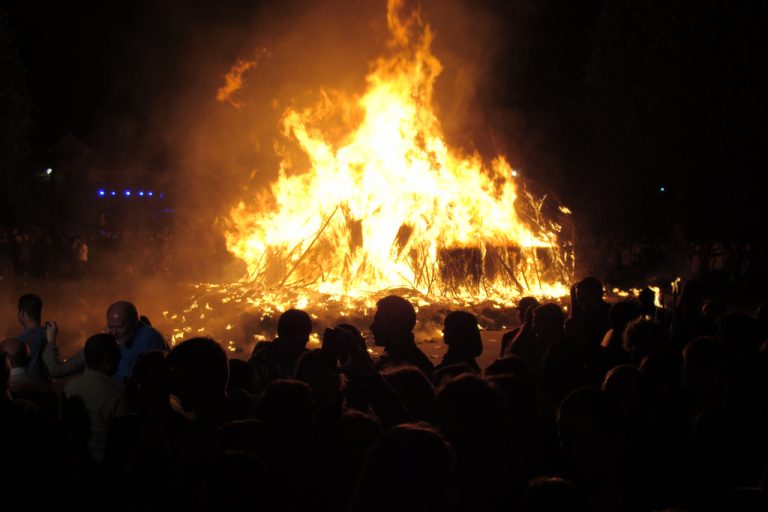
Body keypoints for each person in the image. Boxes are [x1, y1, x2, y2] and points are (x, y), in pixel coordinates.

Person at [63, 333, 129, 464]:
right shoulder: (118, 395)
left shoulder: (69, 387)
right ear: (107, 360)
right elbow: (123, 441)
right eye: (117, 355)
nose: (121, 358)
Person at [18, 293, 85, 379]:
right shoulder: (50, 334)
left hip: (29, 384)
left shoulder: (20, 341)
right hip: (47, 384)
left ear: (22, 312)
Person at [248, 309, 313, 394]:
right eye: (302, 334)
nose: (307, 339)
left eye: (307, 334)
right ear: (284, 333)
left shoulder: (309, 360)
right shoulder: (260, 364)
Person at [371, 295, 433, 378]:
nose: (372, 327)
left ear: (395, 326)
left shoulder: (407, 367)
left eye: (379, 322)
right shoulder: (393, 357)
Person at [106, 301, 168, 383]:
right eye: (111, 327)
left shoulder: (150, 338)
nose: (114, 332)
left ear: (134, 324)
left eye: (119, 327)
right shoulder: (111, 337)